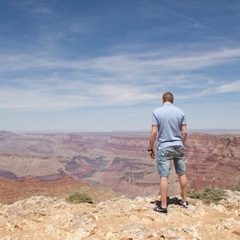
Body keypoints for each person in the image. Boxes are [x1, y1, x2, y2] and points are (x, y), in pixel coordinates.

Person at [148, 91, 188, 214]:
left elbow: (154, 132)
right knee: (182, 174)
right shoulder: (181, 112)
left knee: (164, 176)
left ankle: (164, 206)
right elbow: (185, 132)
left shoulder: (156, 112)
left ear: (162, 100)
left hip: (164, 147)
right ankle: (185, 201)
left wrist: (150, 148)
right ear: (173, 100)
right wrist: (182, 143)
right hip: (178, 146)